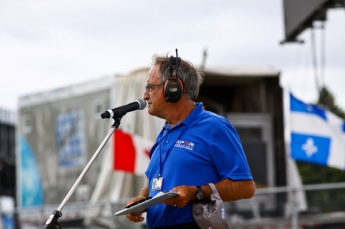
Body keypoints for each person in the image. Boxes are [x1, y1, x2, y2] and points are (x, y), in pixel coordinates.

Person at [126, 53, 255, 229]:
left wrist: (196, 192)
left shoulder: (215, 127)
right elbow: (153, 184)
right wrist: (142, 200)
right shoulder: (164, 131)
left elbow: (246, 187)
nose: (145, 95)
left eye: (150, 87)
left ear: (173, 88)